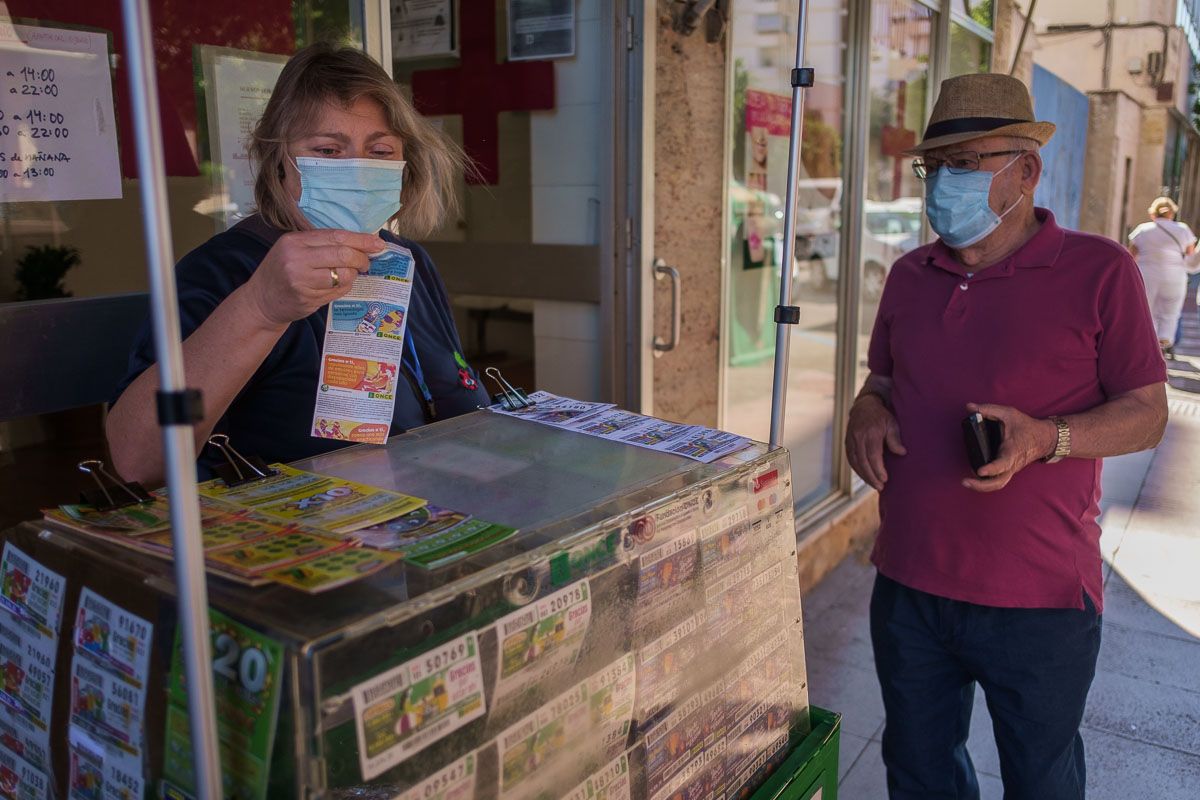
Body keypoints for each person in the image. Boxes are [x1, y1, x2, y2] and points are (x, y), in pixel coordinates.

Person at [845, 73, 1167, 800]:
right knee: (919, 773)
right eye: (935, 166)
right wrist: (866, 409)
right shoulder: (909, 275)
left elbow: (1147, 412)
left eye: (967, 162)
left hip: (1040, 600)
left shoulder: (1100, 271)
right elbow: (883, 381)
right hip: (909, 584)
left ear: (1027, 171)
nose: (944, 183)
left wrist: (1047, 437)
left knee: (1041, 781)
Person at [107, 44, 489, 484]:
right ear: (280, 161)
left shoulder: (408, 261)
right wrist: (259, 309)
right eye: (328, 150)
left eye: (380, 151)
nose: (358, 169)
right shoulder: (222, 272)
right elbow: (140, 460)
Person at [1128, 196, 1199, 357]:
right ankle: (1164, 342)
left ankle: (1148, 345)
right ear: (1172, 213)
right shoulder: (1183, 229)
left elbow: (1130, 256)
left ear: (1153, 213)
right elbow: (1191, 256)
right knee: (1171, 312)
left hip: (1147, 275)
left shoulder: (1142, 230)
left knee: (1146, 311)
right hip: (1175, 276)